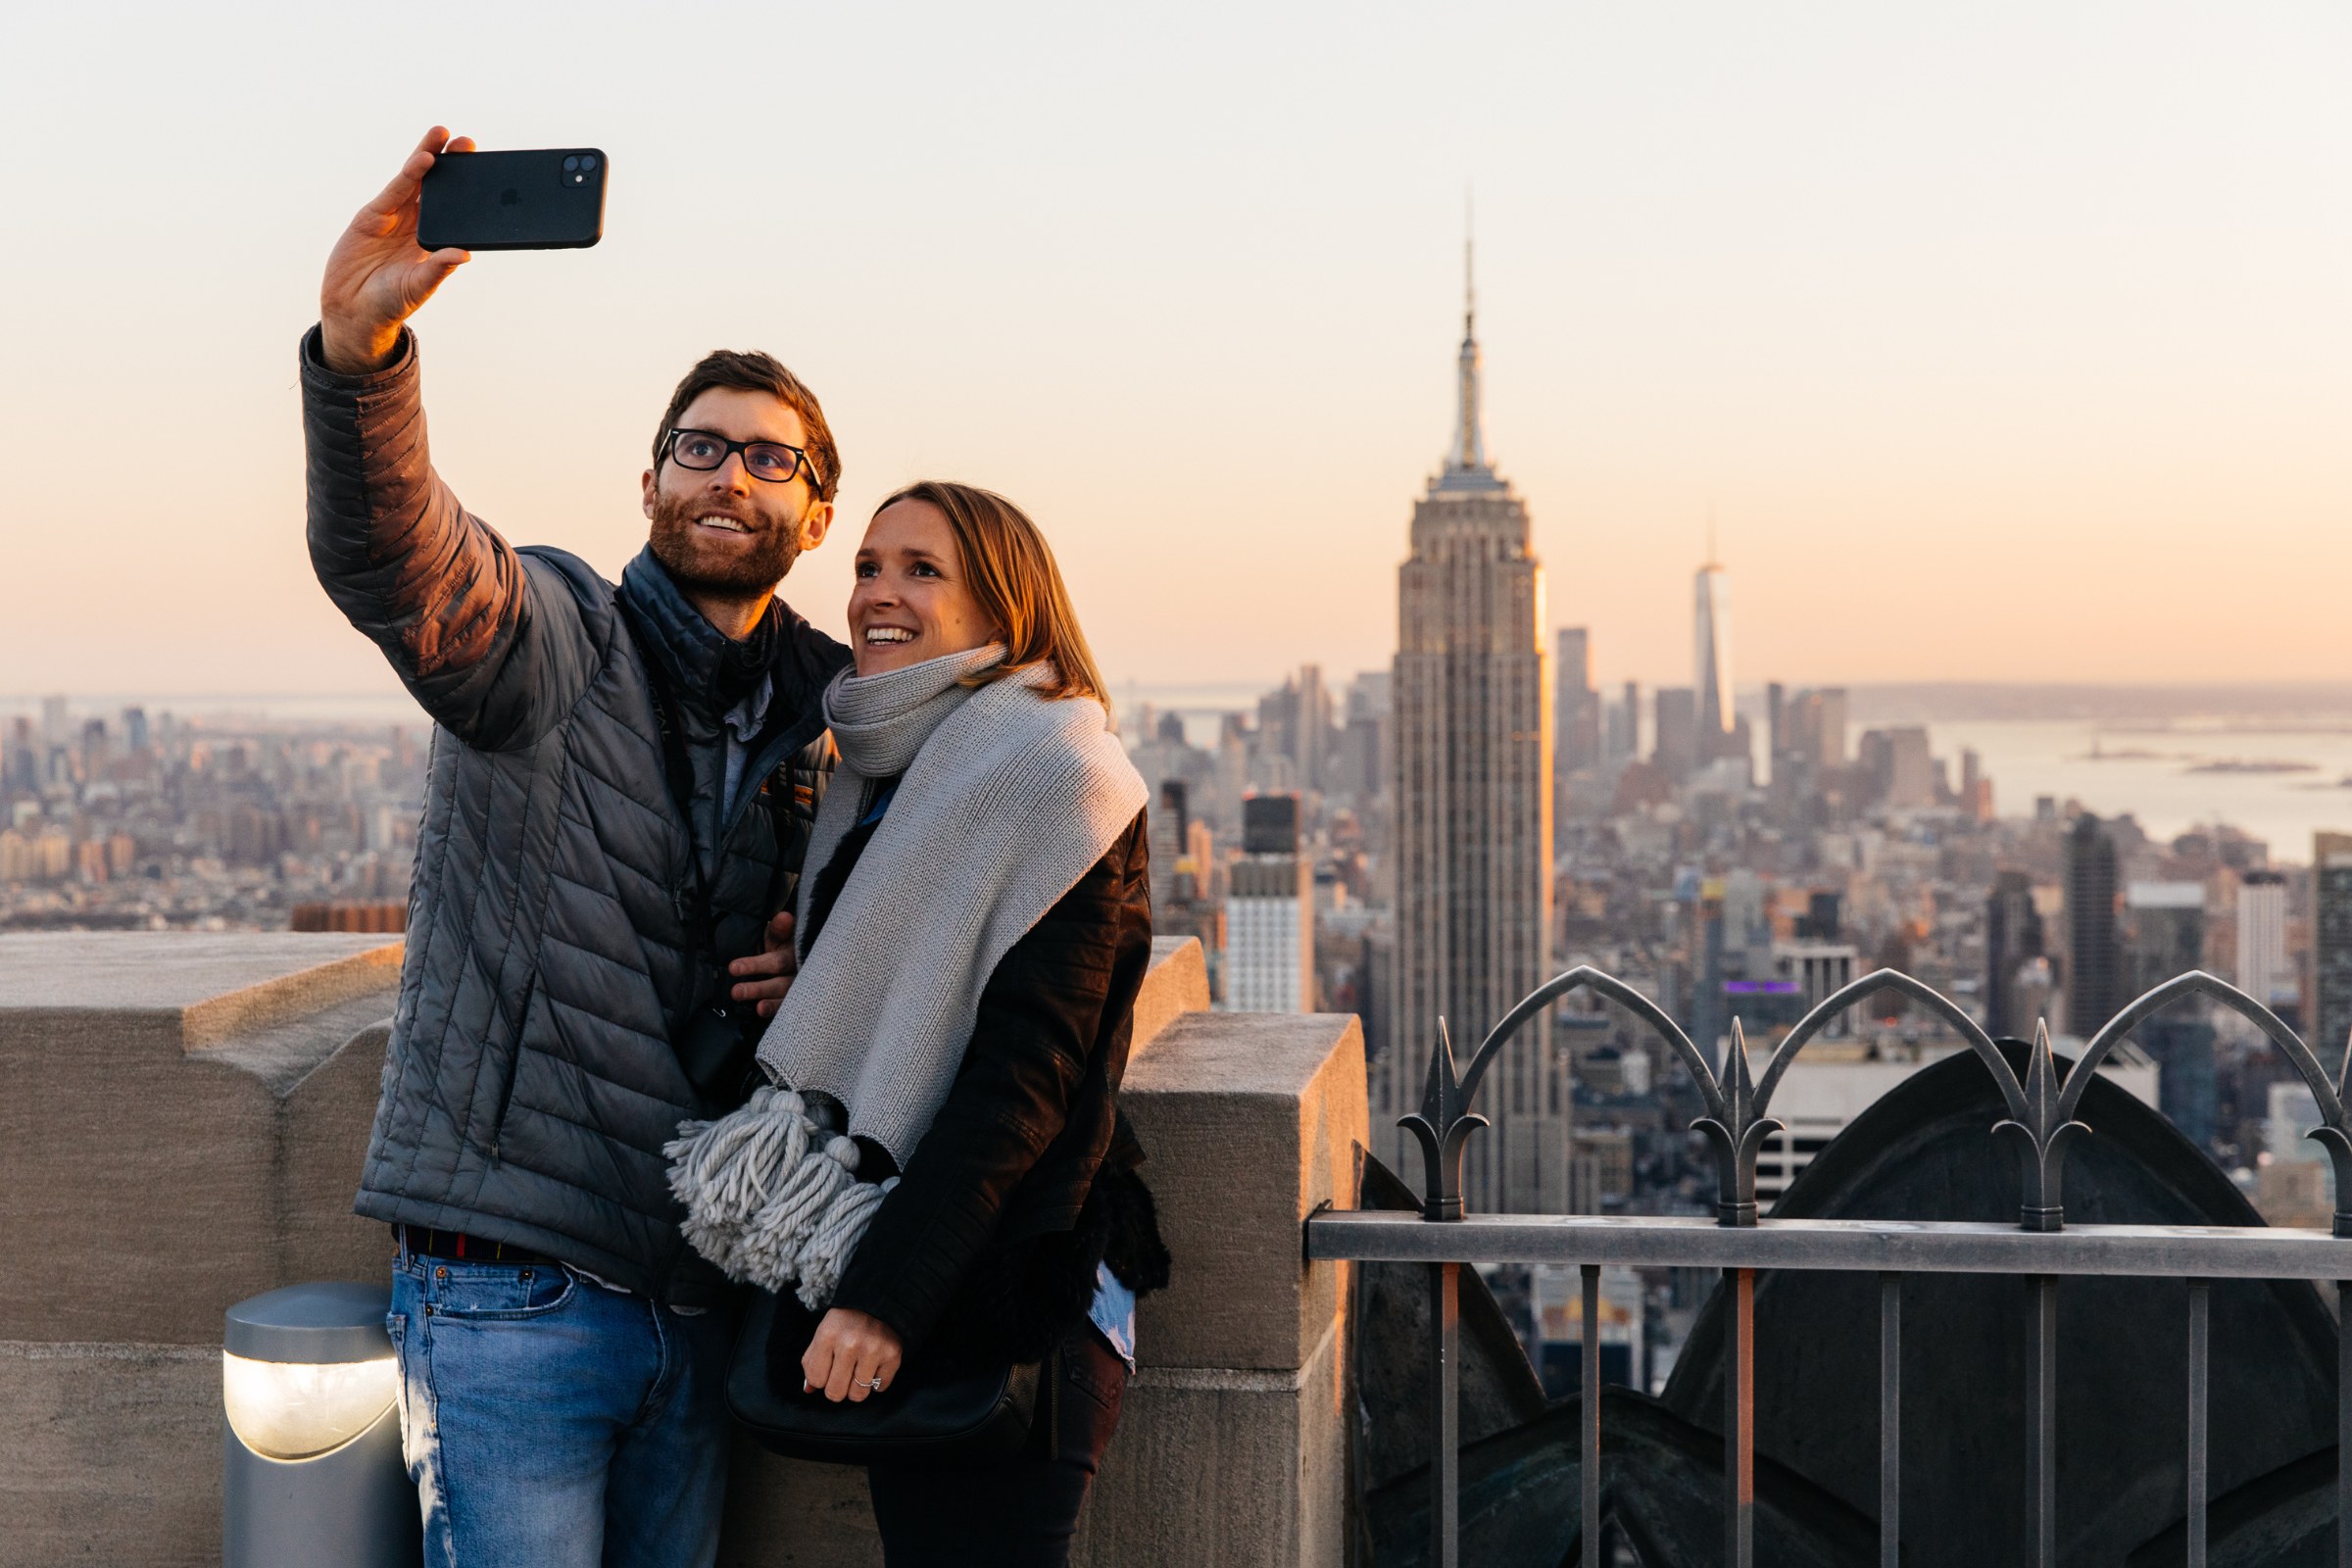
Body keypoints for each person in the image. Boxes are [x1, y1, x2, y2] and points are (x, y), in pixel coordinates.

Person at [304, 127, 850, 1567]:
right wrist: (363, 360)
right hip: (509, 1293)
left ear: (815, 508)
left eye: (769, 456)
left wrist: (830, 964)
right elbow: (403, 560)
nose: (730, 474)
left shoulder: (839, 718)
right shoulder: (553, 637)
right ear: (653, 481)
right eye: (700, 446)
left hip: (702, 1296)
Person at [665, 481, 1172, 1565]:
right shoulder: (884, 774)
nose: (877, 594)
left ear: (1005, 609)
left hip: (1005, 1285)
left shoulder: (1057, 776)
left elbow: (1020, 1084)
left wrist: (884, 1301)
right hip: (916, 1262)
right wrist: (810, 975)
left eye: (920, 570)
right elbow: (910, 986)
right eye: (865, 566)